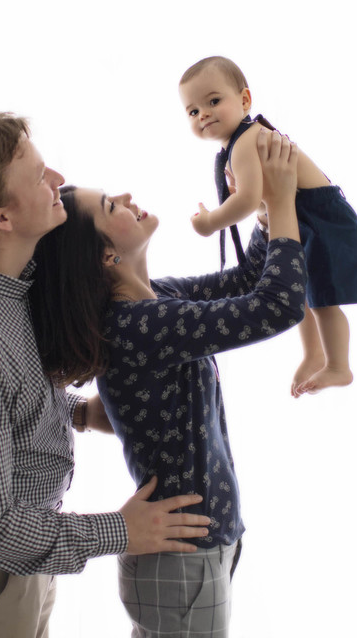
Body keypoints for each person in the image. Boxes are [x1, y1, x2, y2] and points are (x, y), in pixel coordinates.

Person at [0, 112, 212, 638]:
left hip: (21, 543)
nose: (58, 180)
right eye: (39, 175)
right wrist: (121, 531)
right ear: (0, 216)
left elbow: (0, 398)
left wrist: (79, 413)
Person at [28, 129, 307, 637]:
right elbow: (276, 306)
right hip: (183, 561)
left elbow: (247, 282)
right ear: (105, 256)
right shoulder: (138, 326)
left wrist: (267, 210)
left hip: (199, 550)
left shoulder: (154, 299)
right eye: (111, 205)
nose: (126, 197)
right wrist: (284, 201)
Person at [179, 55, 357, 397]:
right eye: (192, 111)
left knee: (323, 300)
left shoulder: (245, 141)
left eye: (214, 101)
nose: (203, 114)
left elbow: (248, 199)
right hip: (305, 218)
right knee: (300, 288)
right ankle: (314, 353)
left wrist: (210, 223)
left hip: (322, 221)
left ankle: (339, 366)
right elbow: (260, 200)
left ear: (245, 100)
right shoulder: (236, 145)